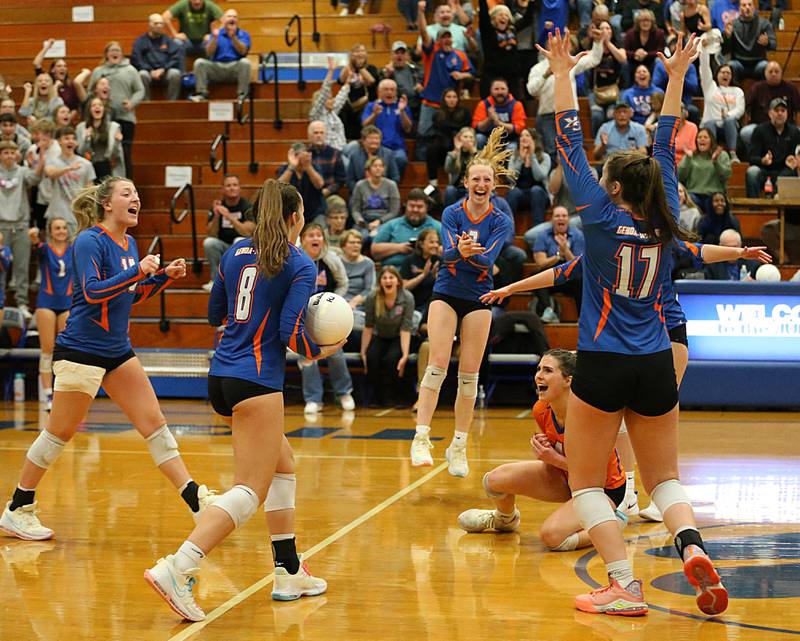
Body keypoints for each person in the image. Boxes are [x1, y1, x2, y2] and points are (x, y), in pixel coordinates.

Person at [535, 29, 727, 616]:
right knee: (664, 479)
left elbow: (568, 140)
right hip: (654, 360)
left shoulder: (595, 216)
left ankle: (623, 584)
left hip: (603, 360)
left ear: (613, 188)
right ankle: (690, 544)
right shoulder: (666, 215)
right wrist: (675, 79)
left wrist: (565, 73)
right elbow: (667, 145)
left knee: (590, 484)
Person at [145, 180, 337, 621]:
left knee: (283, 464)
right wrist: (323, 349)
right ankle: (179, 566)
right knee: (250, 490)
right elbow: (292, 332)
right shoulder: (299, 262)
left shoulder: (233, 252)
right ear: (294, 217)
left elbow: (215, 314)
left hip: (222, 376)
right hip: (257, 381)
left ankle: (288, 570)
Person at [483, 239, 772, 523]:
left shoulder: (661, 243)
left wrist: (740, 252)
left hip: (665, 333)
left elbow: (700, 252)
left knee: (658, 420)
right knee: (617, 417)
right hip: (623, 340)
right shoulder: (604, 247)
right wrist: (512, 288)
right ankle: (628, 493)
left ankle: (665, 495)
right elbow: (561, 272)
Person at [0, 176, 214, 542]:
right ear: (107, 205)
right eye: (127, 193)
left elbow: (127, 295)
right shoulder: (89, 240)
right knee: (58, 433)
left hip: (116, 350)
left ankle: (196, 501)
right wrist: (140, 270)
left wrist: (163, 277)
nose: (136, 199)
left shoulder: (129, 242)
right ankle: (18, 507)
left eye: (136, 193)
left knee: (155, 424)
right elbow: (94, 292)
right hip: (81, 350)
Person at [410, 126, 514, 477]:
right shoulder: (452, 213)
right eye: (476, 179)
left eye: (488, 179)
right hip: (447, 293)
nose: (482, 185)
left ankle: (459, 446)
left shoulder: (501, 219)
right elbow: (447, 257)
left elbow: (490, 262)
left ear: (494, 184)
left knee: (469, 376)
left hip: (479, 296)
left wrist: (465, 253)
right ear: (466, 182)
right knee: (437, 364)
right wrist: (463, 253)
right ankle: (421, 437)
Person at [457, 349, 626, 548]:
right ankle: (504, 520)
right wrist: (543, 446)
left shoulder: (589, 417)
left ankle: (612, 522)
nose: (539, 375)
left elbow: (594, 473)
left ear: (568, 380)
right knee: (494, 480)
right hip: (566, 477)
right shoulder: (541, 408)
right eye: (538, 369)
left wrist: (552, 458)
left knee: (552, 537)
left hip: (601, 488)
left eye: (547, 370)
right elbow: (554, 450)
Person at [297, 223, 355, 414]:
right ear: (302, 239)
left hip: (328, 316)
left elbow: (343, 283)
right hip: (303, 315)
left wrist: (335, 304)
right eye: (311, 235)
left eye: (319, 235)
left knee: (336, 352)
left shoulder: (331, 259)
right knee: (307, 354)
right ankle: (313, 398)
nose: (315, 239)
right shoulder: (295, 260)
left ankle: (344, 392)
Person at [28, 218, 72, 411]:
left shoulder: (74, 249)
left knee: (65, 351)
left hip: (67, 303)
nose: (61, 231)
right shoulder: (45, 249)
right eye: (57, 228)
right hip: (46, 302)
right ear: (50, 232)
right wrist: (33, 237)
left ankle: (65, 394)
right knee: (47, 350)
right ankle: (48, 396)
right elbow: (36, 245)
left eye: (64, 228)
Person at [416, 6, 474, 149]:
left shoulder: (459, 55)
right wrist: (421, 12)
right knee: (423, 133)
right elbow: (423, 33)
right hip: (430, 101)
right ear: (438, 41)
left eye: (449, 37)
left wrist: (462, 75)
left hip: (449, 105)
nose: (447, 40)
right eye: (443, 37)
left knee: (449, 138)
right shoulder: (432, 52)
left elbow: (471, 74)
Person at [0, 140, 44, 319]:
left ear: (17, 154)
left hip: (20, 225)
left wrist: (41, 161)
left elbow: (35, 179)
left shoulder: (23, 171)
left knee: (21, 267)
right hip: (1, 227)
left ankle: (22, 303)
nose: (9, 155)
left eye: (12, 152)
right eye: (5, 152)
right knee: (1, 269)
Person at [360, 266, 415, 407]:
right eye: (384, 278)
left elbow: (406, 328)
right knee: (372, 357)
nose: (388, 281)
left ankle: (397, 397)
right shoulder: (373, 297)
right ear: (380, 282)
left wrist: (405, 354)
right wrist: (363, 351)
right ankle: (376, 398)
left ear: (398, 281)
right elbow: (368, 326)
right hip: (381, 335)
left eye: (391, 277)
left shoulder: (407, 297)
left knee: (393, 359)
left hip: (399, 336)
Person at [89, 42, 144, 180]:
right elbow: (90, 91)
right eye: (112, 50)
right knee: (103, 153)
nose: (115, 53)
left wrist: (132, 102)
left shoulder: (130, 70)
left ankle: (126, 184)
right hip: (103, 119)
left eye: (118, 50)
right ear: (106, 54)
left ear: (122, 53)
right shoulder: (98, 71)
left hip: (126, 118)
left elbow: (140, 90)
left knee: (125, 153)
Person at [531, 206, 584, 322]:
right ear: (552, 219)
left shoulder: (578, 235)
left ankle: (582, 316)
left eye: (564, 216)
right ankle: (548, 311)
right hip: (552, 277)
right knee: (536, 275)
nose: (561, 218)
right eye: (557, 216)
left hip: (570, 279)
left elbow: (579, 265)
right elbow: (540, 263)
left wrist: (566, 250)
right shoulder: (543, 235)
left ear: (568, 219)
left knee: (582, 278)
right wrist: (559, 256)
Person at [202, 174, 254, 291]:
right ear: (223, 189)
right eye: (228, 185)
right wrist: (216, 216)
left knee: (239, 240)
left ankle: (236, 281)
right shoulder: (218, 206)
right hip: (224, 246)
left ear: (240, 188)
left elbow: (248, 232)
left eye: (235, 185)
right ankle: (215, 280)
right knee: (209, 243)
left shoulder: (247, 207)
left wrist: (229, 217)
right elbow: (211, 234)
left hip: (242, 248)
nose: (232, 188)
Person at [190, 9, 252, 102]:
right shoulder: (216, 33)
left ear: (238, 21)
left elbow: (243, 52)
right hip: (217, 67)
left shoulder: (243, 34)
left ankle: (242, 95)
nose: (232, 19)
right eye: (229, 16)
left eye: (234, 17)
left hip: (234, 68)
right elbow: (209, 53)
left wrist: (233, 37)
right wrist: (215, 38)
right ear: (223, 20)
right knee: (199, 63)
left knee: (245, 63)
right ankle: (201, 94)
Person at [44, 127, 97, 236]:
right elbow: (50, 173)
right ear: (59, 141)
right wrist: (69, 168)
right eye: (66, 138)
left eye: (73, 138)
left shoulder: (86, 164)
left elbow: (89, 191)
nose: (70, 141)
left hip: (76, 215)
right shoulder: (52, 161)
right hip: (57, 214)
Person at [371, 188, 442, 267]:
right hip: (394, 274)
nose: (415, 210)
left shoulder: (437, 227)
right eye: (411, 206)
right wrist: (399, 248)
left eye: (419, 207)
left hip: (427, 273)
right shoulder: (392, 225)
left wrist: (429, 249)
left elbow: (451, 251)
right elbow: (374, 250)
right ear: (406, 206)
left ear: (427, 208)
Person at [698, 43, 744, 162]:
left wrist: (728, 115)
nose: (725, 75)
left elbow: (740, 109)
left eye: (728, 73)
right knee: (709, 123)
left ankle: (733, 154)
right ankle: (710, 153)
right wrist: (704, 49)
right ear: (717, 75)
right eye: (723, 72)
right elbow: (704, 68)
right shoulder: (710, 87)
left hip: (728, 124)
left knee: (729, 121)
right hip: (711, 124)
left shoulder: (737, 91)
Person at [745, 98, 800, 197]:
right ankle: (754, 209)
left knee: (793, 172)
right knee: (751, 172)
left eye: (783, 111)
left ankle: (776, 197)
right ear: (770, 113)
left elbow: (797, 155)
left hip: (786, 171)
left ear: (787, 114)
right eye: (776, 110)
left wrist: (795, 160)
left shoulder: (794, 132)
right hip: (765, 171)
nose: (780, 113)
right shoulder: (760, 130)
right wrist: (763, 160)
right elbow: (751, 157)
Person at [362, 79, 414, 177]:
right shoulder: (371, 106)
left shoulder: (402, 106)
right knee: (376, 162)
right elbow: (365, 127)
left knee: (401, 159)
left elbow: (408, 128)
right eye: (386, 89)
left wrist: (402, 112)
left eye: (392, 90)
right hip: (377, 148)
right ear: (379, 92)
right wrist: (374, 114)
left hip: (397, 148)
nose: (389, 92)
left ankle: (393, 184)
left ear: (396, 92)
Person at [424, 88, 471, 191]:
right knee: (432, 148)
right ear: (444, 99)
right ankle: (433, 183)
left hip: (460, 143)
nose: (452, 100)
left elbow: (466, 129)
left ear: (458, 99)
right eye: (449, 97)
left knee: (459, 144)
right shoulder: (437, 114)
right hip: (443, 145)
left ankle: (455, 180)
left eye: (454, 97)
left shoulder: (465, 112)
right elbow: (439, 130)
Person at [678, 128, 732, 214]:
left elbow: (726, 176)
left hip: (713, 194)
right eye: (699, 137)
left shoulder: (721, 155)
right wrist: (687, 159)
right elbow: (680, 176)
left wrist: (716, 162)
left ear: (712, 140)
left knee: (714, 202)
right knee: (689, 201)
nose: (702, 139)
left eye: (705, 137)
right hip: (694, 194)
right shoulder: (691, 156)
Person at [132, 14, 184, 101]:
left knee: (175, 73)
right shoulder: (140, 41)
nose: (159, 26)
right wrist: (150, 70)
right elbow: (136, 59)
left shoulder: (168, 40)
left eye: (161, 24)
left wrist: (163, 69)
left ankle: (172, 103)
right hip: (148, 72)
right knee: (142, 74)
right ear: (149, 24)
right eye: (156, 23)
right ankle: (146, 104)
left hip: (165, 72)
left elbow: (175, 57)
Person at [721, 0, 776, 81]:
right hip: (739, 63)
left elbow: (774, 45)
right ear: (739, 8)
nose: (747, 7)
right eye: (744, 5)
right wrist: (727, 37)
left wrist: (767, 43)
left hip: (759, 62)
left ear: (753, 7)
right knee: (731, 66)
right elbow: (725, 51)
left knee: (766, 66)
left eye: (750, 5)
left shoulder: (764, 23)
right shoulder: (733, 25)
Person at [506, 128, 551, 225]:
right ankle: (508, 229)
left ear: (534, 140)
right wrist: (520, 160)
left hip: (540, 195)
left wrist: (532, 156)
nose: (523, 138)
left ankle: (537, 229)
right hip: (520, 195)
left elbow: (539, 177)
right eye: (521, 136)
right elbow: (510, 178)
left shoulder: (544, 157)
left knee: (536, 190)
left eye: (527, 135)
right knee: (513, 192)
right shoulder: (514, 157)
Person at [349, 157, 401, 236]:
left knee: (377, 236)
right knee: (361, 237)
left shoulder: (391, 185)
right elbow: (355, 209)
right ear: (368, 169)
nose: (378, 168)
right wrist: (360, 221)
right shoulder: (360, 185)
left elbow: (394, 211)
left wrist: (379, 221)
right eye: (375, 166)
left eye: (380, 166)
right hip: (365, 220)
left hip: (384, 220)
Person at [76, 97, 125, 179]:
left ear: (104, 109)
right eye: (93, 105)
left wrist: (117, 141)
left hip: (106, 167)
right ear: (89, 110)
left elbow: (115, 155)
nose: (97, 107)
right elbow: (80, 152)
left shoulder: (113, 127)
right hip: (89, 166)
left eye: (100, 105)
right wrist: (86, 138)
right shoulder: (81, 127)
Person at [277, 143, 327, 223]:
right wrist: (291, 166)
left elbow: (319, 184)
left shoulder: (314, 167)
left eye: (302, 154)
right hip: (291, 212)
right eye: (296, 154)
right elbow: (278, 187)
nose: (299, 157)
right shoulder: (285, 168)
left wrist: (308, 167)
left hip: (315, 212)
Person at [472, 78, 527, 150]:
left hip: (510, 139)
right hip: (488, 138)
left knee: (512, 147)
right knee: (478, 138)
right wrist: (489, 119)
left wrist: (498, 123)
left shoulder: (516, 105)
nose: (500, 92)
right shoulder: (483, 104)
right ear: (491, 91)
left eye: (503, 89)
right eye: (496, 89)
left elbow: (518, 128)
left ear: (508, 90)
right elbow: (477, 127)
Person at [308, 57, 350, 151]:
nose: (332, 100)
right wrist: (331, 72)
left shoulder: (333, 112)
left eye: (332, 98)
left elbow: (341, 97)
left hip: (342, 151)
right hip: (326, 152)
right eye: (329, 99)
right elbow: (324, 92)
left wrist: (348, 81)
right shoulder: (316, 115)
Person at [32, 41, 83, 119]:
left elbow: (75, 107)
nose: (62, 68)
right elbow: (36, 63)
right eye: (59, 66)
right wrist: (47, 47)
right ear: (52, 70)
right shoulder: (46, 81)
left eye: (65, 66)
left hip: (65, 119)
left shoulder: (70, 85)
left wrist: (69, 118)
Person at [344, 125, 400, 192]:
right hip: (360, 194)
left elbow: (395, 177)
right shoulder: (355, 155)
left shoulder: (388, 154)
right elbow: (350, 180)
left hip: (383, 194)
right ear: (363, 140)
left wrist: (384, 191)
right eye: (371, 138)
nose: (374, 141)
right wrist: (360, 192)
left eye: (377, 138)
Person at [400, 227, 441, 314]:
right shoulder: (409, 260)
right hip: (412, 305)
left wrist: (435, 277)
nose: (435, 245)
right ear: (421, 244)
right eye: (431, 242)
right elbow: (404, 287)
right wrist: (423, 276)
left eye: (437, 242)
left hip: (432, 305)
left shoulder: (440, 261)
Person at [340, 229, 376, 314]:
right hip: (338, 302)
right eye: (352, 242)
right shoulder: (337, 262)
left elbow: (369, 290)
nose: (356, 245)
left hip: (359, 305)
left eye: (358, 243)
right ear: (343, 246)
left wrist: (354, 302)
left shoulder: (368, 263)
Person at [443, 127, 478, 206]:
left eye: (471, 137)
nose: (468, 139)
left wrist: (474, 154)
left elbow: (480, 171)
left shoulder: (479, 155)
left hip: (471, 189)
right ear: (459, 139)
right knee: (449, 190)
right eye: (465, 137)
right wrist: (457, 151)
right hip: (456, 188)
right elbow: (448, 169)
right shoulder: (452, 154)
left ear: (474, 140)